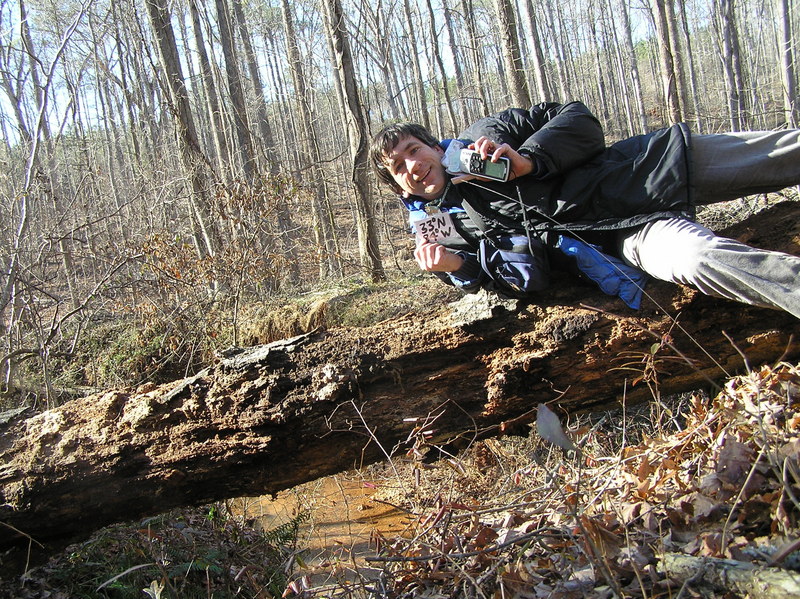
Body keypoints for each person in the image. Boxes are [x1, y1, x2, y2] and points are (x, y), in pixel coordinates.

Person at [369, 101, 800, 318]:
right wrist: (456, 266)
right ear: (396, 183)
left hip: (643, 170)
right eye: (399, 166)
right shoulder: (438, 229)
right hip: (627, 237)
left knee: (784, 153)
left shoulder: (483, 140)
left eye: (415, 149)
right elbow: (503, 276)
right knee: (698, 260)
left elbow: (579, 120)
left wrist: (529, 158)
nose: (414, 166)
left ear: (433, 145)